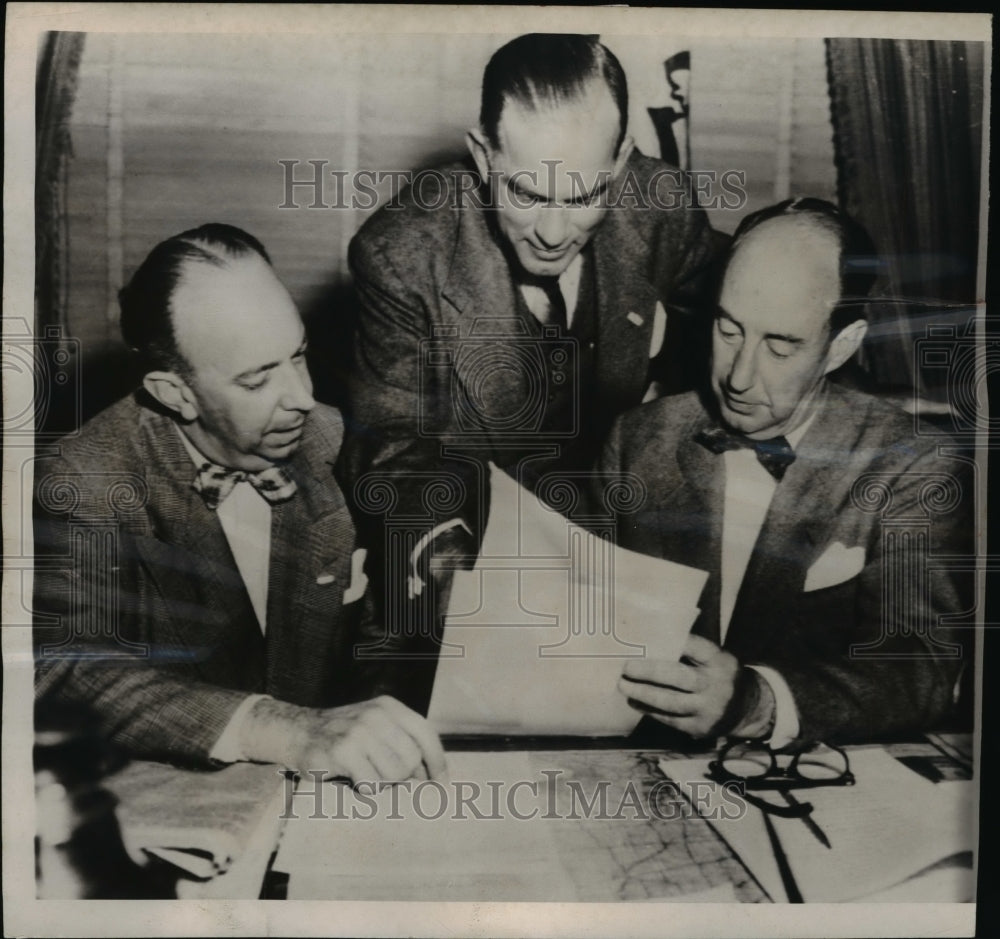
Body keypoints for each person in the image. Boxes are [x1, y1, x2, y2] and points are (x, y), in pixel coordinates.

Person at [33, 224, 445, 783]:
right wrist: (277, 729)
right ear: (174, 393)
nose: (303, 399)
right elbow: (59, 669)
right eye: (257, 381)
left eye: (298, 356)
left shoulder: (342, 446)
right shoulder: (84, 480)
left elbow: (398, 632)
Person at [597, 199, 973, 745]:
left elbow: (920, 665)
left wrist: (758, 703)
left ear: (841, 346)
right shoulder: (637, 440)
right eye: (729, 331)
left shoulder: (912, 465)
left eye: (780, 346)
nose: (740, 378)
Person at [344, 32, 722, 551]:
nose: (551, 232)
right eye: (524, 191)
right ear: (483, 155)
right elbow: (395, 457)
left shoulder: (665, 209)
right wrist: (459, 580)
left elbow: (732, 332)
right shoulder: (402, 253)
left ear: (621, 163)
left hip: (627, 538)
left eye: (585, 195)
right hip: (477, 542)